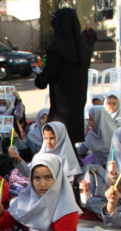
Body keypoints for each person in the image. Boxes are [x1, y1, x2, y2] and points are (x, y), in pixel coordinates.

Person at [34, 9, 90, 144]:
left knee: (58, 140)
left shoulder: (58, 45)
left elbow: (50, 72)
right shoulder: (82, 46)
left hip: (61, 104)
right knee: (70, 142)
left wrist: (39, 77)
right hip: (77, 101)